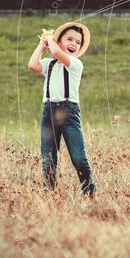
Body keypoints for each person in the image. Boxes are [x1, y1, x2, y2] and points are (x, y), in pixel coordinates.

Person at [27, 21, 97, 197]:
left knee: (78, 157)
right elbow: (32, 65)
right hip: (48, 111)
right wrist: (41, 44)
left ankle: (89, 192)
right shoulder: (50, 64)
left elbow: (58, 52)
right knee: (48, 158)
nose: (74, 43)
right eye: (69, 39)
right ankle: (49, 194)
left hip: (69, 111)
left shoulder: (75, 64)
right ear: (59, 41)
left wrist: (51, 41)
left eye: (78, 42)